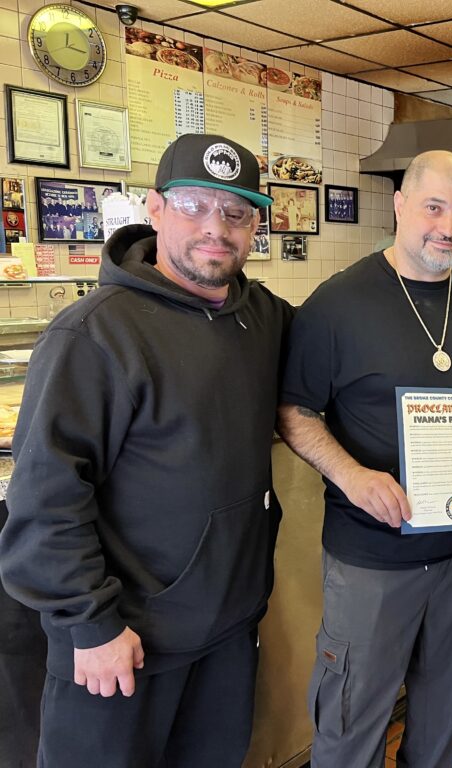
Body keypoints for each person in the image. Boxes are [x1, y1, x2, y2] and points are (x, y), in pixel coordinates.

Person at [0, 133, 292, 768]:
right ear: (155, 209)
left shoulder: (262, 317)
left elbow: (336, 351)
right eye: (195, 206)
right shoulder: (94, 333)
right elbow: (44, 496)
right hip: (123, 645)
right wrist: (90, 624)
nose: (217, 228)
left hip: (228, 634)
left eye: (237, 212)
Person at [277, 149, 452, 767]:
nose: (448, 227)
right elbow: (294, 413)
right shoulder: (336, 304)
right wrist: (353, 476)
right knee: (353, 716)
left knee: (445, 709)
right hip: (373, 556)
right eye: (434, 207)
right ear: (400, 205)